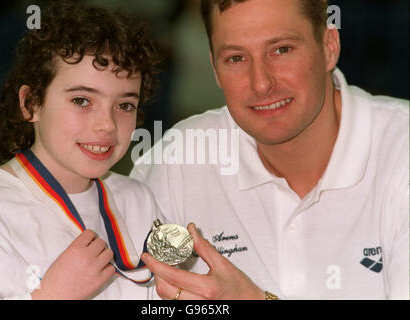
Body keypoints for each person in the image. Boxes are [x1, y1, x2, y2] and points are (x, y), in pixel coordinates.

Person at [131, 0, 409, 299]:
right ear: (214, 67)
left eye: (282, 50)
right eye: (236, 58)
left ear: (329, 45)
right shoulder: (178, 161)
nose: (261, 83)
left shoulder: (400, 147)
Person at [0, 1, 163, 299]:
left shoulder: (137, 200)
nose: (107, 125)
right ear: (31, 104)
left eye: (124, 105)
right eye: (82, 100)